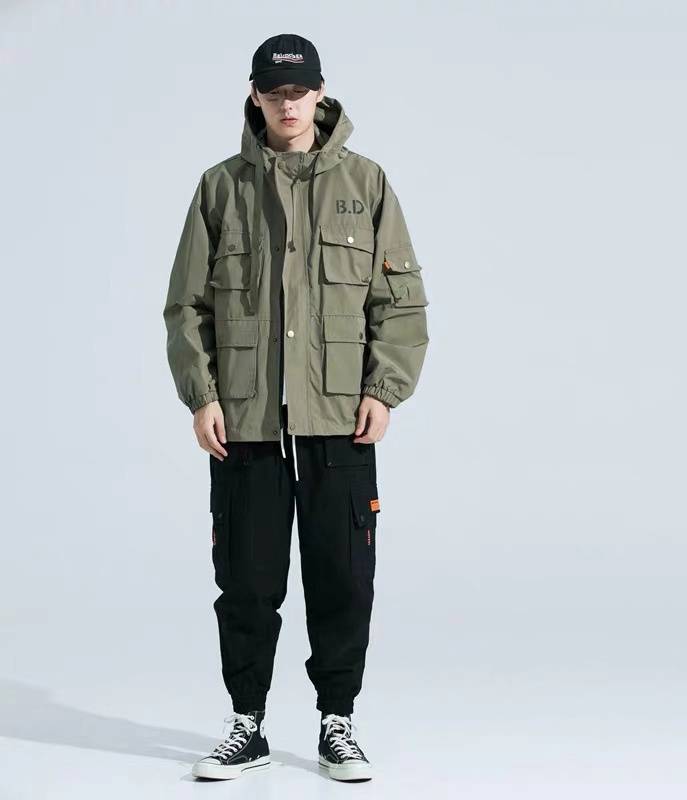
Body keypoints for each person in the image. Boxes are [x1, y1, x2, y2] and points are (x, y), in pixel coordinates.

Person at [162, 32, 429, 782]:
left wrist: (383, 390)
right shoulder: (220, 188)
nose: (288, 105)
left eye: (299, 92)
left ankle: (337, 720)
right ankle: (246, 724)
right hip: (246, 423)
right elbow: (186, 306)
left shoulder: (366, 183)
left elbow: (401, 302)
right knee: (247, 583)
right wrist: (202, 396)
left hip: (340, 420)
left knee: (343, 579)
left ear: (320, 93)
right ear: (255, 96)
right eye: (274, 93)